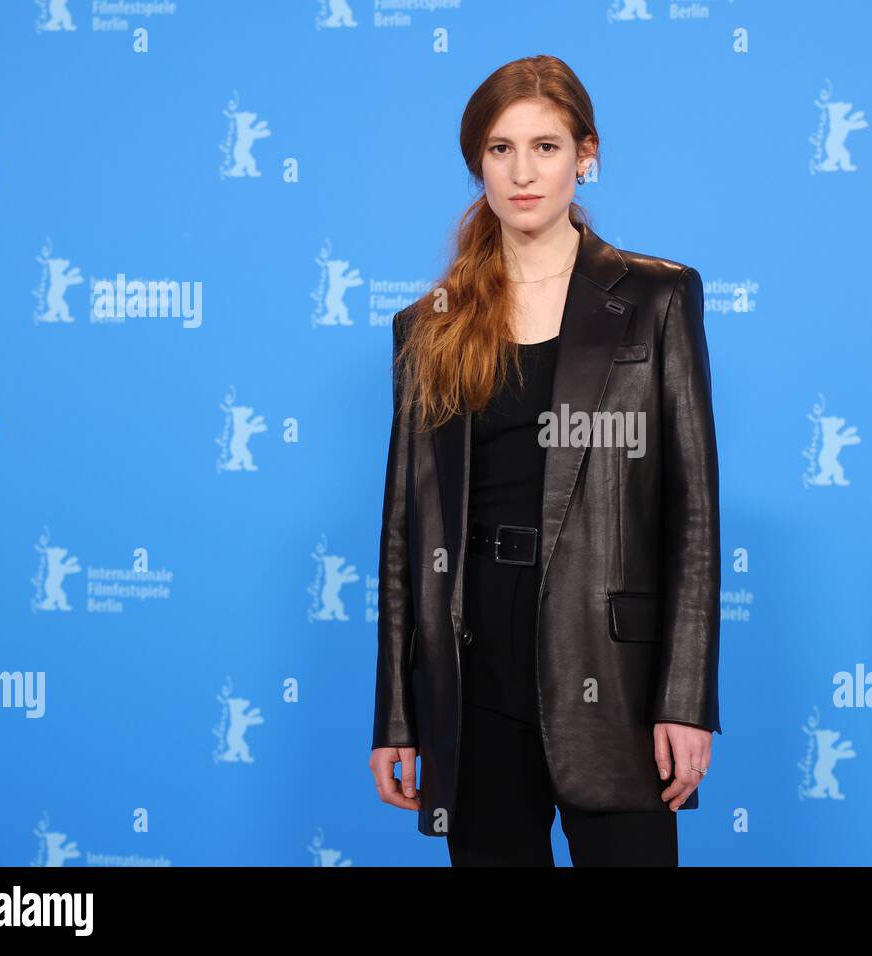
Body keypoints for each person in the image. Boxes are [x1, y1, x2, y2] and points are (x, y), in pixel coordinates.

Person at [368, 54, 721, 866]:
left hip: (615, 676)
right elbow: (402, 532)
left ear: (585, 154)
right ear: (477, 165)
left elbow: (692, 515)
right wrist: (397, 713)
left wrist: (686, 699)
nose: (523, 172)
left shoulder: (656, 299)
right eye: (500, 149)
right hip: (473, 663)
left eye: (546, 147)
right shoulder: (430, 327)